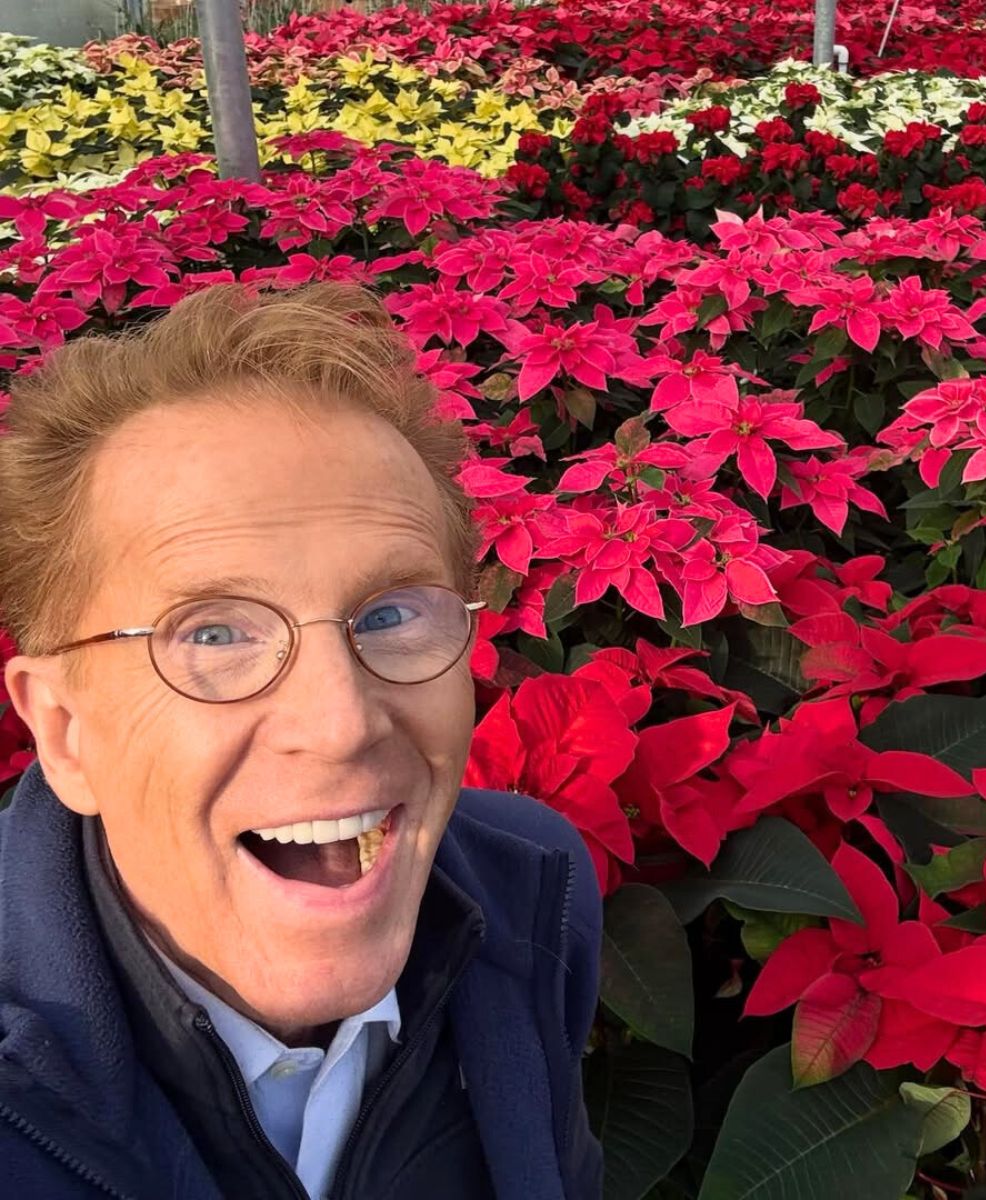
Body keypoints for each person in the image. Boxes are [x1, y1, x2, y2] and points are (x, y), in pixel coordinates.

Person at [0, 282, 603, 1200]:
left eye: (392, 612)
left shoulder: (532, 892)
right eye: (212, 634)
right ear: (65, 730)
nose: (343, 723)